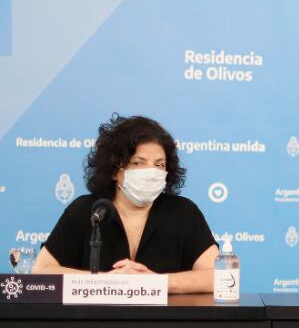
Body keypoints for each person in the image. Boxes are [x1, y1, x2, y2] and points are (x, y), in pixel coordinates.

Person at [32, 114, 219, 293]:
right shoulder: (88, 211)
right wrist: (107, 282)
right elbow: (41, 271)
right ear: (115, 170)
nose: (151, 172)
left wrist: (156, 283)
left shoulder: (183, 212)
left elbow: (219, 276)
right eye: (138, 163)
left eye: (159, 165)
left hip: (166, 316)